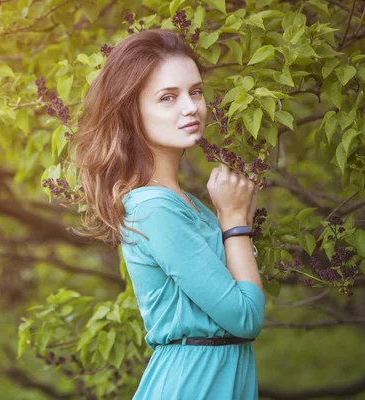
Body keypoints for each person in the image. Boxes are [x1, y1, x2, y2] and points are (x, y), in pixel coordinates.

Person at [71, 29, 265, 399]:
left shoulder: (185, 204)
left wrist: (234, 221)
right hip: (193, 383)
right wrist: (235, 223)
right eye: (167, 98)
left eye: (195, 91)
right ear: (132, 114)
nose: (190, 107)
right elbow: (246, 317)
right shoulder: (154, 209)